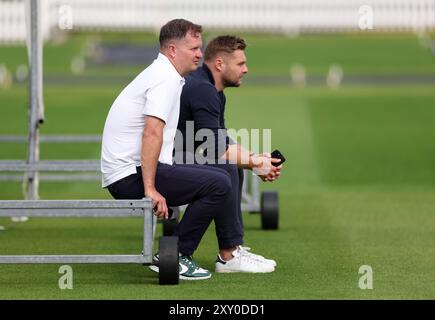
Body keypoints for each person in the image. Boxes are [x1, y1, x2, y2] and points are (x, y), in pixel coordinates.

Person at [101, 19, 235, 281]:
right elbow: (151, 132)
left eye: (200, 47)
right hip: (130, 176)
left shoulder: (165, 75)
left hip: (136, 169)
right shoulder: (165, 79)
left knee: (221, 170)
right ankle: (176, 256)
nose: (200, 54)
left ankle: (228, 250)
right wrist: (150, 189)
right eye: (194, 48)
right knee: (219, 183)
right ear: (172, 50)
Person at [177, 35, 283, 273]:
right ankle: (223, 254)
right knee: (226, 166)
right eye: (240, 64)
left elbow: (221, 141)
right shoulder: (202, 89)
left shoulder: (212, 90)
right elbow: (219, 149)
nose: (246, 69)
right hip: (163, 165)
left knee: (230, 165)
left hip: (178, 158)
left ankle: (231, 251)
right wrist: (256, 163)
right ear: (219, 64)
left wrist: (257, 159)